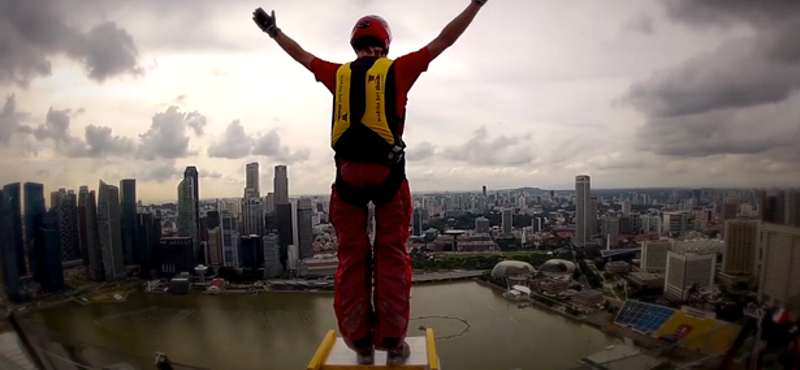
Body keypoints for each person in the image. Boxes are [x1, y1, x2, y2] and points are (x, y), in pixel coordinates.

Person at [253, 0, 487, 365]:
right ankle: (393, 344)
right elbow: (445, 40)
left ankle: (360, 344)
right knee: (391, 255)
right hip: (388, 175)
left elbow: (302, 56)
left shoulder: (338, 73)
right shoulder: (399, 69)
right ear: (385, 44)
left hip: (346, 178)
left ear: (355, 45)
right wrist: (477, 3)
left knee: (351, 259)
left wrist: (273, 31)